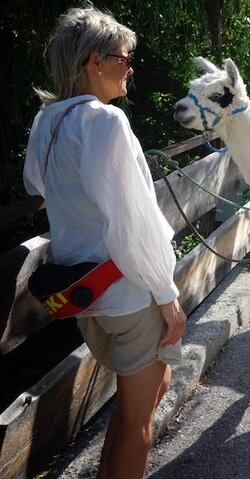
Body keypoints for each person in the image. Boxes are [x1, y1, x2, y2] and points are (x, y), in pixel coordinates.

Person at [23, 5, 187, 478]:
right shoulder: (105, 123)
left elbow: (35, 185)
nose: (130, 67)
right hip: (129, 293)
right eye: (124, 58)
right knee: (139, 420)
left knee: (142, 397)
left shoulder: (47, 122)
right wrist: (168, 296)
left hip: (86, 296)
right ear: (95, 62)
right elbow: (134, 224)